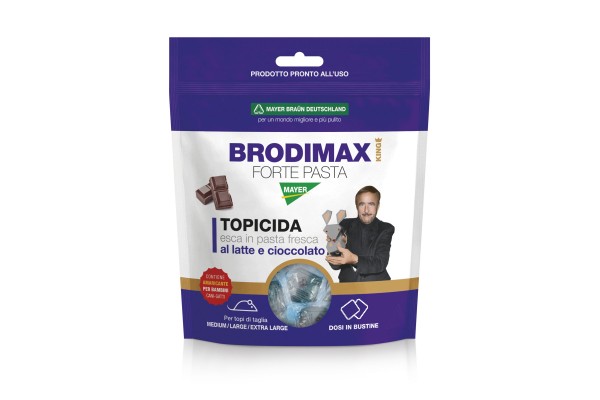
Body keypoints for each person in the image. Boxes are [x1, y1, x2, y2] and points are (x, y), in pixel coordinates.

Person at [325, 186, 395, 282]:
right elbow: (335, 266)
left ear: (378, 206)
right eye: (362, 204)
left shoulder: (386, 228)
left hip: (378, 287)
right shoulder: (344, 224)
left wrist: (354, 259)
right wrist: (334, 248)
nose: (366, 210)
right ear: (356, 206)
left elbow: (380, 263)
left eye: (371, 204)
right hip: (347, 287)